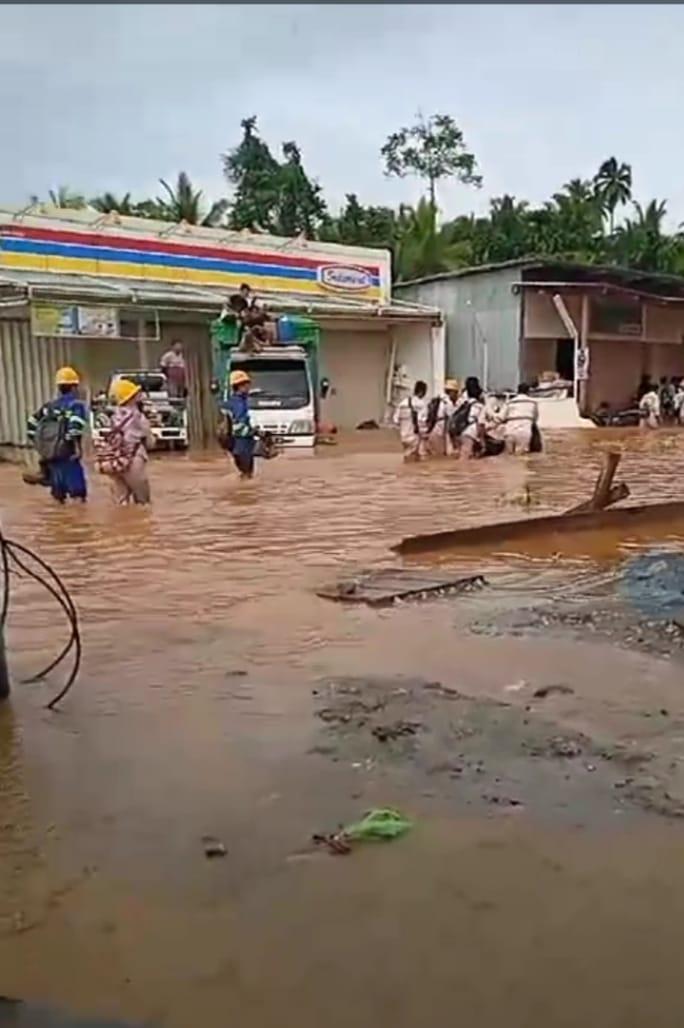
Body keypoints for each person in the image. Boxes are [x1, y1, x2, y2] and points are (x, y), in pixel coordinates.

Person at [27, 366, 88, 503]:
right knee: (78, 495)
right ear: (74, 387)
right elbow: (75, 427)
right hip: (68, 455)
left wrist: (40, 444)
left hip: (52, 457)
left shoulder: (49, 406)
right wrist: (77, 447)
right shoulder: (76, 405)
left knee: (57, 497)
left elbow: (31, 423)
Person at [105, 379, 155, 504]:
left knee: (121, 502)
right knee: (143, 503)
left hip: (116, 462)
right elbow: (150, 441)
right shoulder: (138, 417)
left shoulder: (114, 417)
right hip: (134, 459)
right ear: (132, 397)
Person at [221, 369, 257, 478]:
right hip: (242, 444)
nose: (248, 387)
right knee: (247, 475)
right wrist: (255, 432)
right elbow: (238, 426)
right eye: (246, 385)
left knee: (244, 474)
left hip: (236, 445)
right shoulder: (239, 404)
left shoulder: (231, 402)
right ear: (240, 386)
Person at [499, 382, 539, 455]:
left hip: (510, 431)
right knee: (520, 458)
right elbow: (535, 418)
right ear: (528, 391)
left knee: (509, 456)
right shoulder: (533, 402)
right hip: (524, 431)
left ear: (518, 391)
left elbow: (501, 417)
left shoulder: (510, 402)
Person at [393, 380, 429, 461]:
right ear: (422, 392)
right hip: (415, 437)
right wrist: (425, 434)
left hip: (403, 437)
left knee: (407, 458)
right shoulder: (421, 404)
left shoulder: (403, 403)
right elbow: (421, 421)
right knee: (417, 461)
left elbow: (395, 420)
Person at [428, 379, 460, 456]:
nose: (456, 395)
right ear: (451, 392)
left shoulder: (438, 399)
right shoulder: (448, 402)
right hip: (440, 432)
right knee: (441, 456)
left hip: (432, 430)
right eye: (456, 392)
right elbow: (451, 421)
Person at [458, 376, 488, 460]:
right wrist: (482, 442)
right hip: (470, 433)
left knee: (464, 457)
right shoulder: (479, 406)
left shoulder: (462, 402)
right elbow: (481, 424)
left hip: (460, 431)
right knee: (465, 460)